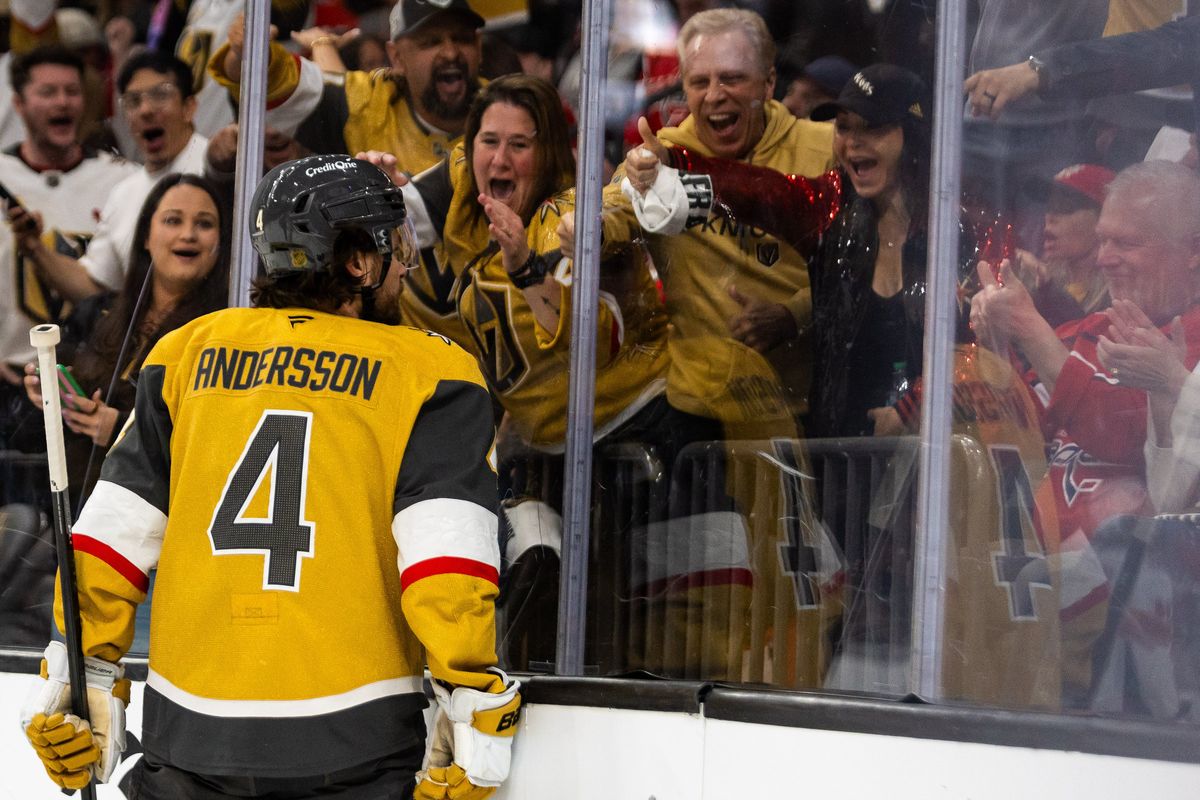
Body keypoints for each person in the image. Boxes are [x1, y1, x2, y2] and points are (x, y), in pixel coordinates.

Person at [19, 154, 520, 799]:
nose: (403, 262)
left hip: (188, 735)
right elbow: (445, 557)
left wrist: (77, 678)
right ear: (357, 263)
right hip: (353, 740)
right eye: (392, 245)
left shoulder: (184, 352)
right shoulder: (429, 370)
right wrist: (471, 700)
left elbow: (111, 536)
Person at [365, 74, 679, 673]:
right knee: (533, 564)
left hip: (639, 441)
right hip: (542, 449)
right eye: (489, 142)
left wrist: (525, 267)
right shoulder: (462, 187)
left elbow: (596, 342)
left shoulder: (569, 214)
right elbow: (376, 221)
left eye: (520, 145)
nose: (499, 159)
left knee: (640, 635)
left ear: (550, 153)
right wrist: (366, 179)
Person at [210, 0, 487, 347]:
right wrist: (245, 52)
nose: (450, 53)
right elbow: (275, 84)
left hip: (498, 356)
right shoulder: (365, 101)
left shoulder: (508, 118)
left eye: (462, 39)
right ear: (396, 56)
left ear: (479, 47)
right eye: (431, 42)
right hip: (385, 344)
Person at [613, 7, 835, 440]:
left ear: (769, 83)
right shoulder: (661, 153)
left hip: (808, 411)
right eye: (699, 81)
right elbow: (614, 211)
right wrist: (580, 227)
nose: (715, 95)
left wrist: (794, 315)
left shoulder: (826, 149)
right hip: (700, 418)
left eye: (732, 78)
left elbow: (863, 270)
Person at [21, 173, 230, 510]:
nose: (188, 234)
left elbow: (215, 443)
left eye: (204, 224)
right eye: (173, 220)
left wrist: (119, 430)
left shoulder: (222, 332)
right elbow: (32, 431)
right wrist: (42, 389)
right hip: (68, 508)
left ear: (222, 243)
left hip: (153, 517)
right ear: (146, 236)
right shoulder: (95, 313)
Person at [0, 45, 137, 456]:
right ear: (19, 104)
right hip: (9, 379)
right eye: (48, 92)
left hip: (94, 385)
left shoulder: (123, 180)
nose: (62, 102)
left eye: (72, 91)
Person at [14, 51, 209, 303]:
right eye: (133, 101)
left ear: (189, 107)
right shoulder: (124, 192)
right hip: (152, 340)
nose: (146, 110)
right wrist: (34, 247)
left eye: (160, 95)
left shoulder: (218, 166)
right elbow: (94, 286)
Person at [1013, 163, 1114, 328]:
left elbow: (1081, 343)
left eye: (1065, 206)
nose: (1049, 217)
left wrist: (1048, 291)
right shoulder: (1032, 280)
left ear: (1103, 220)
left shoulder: (1118, 298)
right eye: (1049, 206)